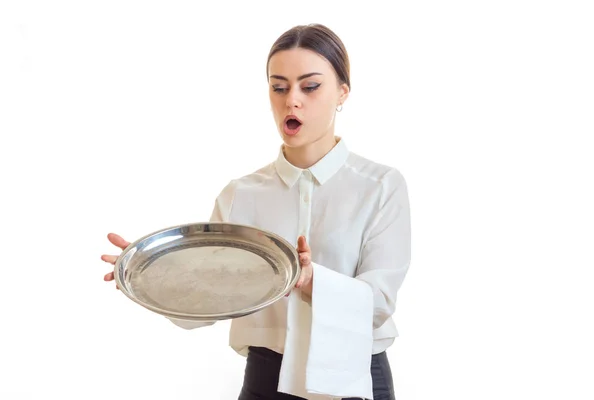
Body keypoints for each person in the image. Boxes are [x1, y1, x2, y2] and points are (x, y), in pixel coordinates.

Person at [101, 23, 411, 400]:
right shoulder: (241, 194)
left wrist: (313, 282)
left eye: (309, 87)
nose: (291, 100)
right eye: (278, 87)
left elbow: (379, 303)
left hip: (357, 378)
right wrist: (151, 276)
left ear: (342, 92)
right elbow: (207, 299)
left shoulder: (380, 187)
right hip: (267, 378)